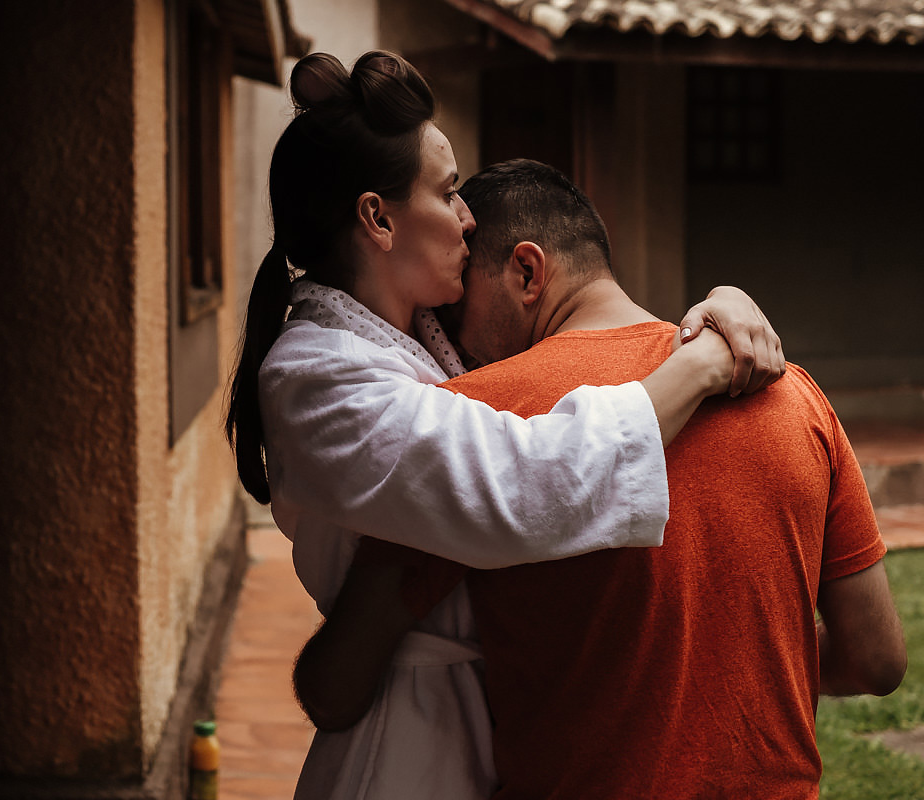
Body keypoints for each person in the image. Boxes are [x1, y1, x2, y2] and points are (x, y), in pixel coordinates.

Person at [226, 51, 784, 800]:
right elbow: (522, 482)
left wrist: (725, 299)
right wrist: (705, 364)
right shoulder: (315, 376)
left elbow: (585, 340)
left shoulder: (427, 337)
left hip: (509, 721)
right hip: (407, 749)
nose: (467, 218)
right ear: (378, 218)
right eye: (450, 191)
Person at [294, 159, 907, 799]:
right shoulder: (790, 393)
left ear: (526, 273)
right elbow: (877, 658)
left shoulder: (475, 419)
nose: (449, 343)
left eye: (453, 309)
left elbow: (333, 686)